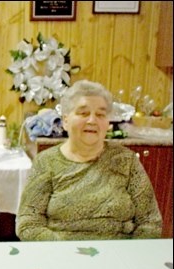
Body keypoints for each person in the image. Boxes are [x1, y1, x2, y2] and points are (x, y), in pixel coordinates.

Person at [16, 80, 162, 240]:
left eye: (100, 114)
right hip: (62, 256)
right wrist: (69, 252)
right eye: (83, 113)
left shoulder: (126, 160)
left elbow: (149, 222)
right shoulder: (46, 162)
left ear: (108, 123)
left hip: (119, 256)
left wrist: (129, 256)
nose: (92, 120)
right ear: (65, 121)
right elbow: (28, 224)